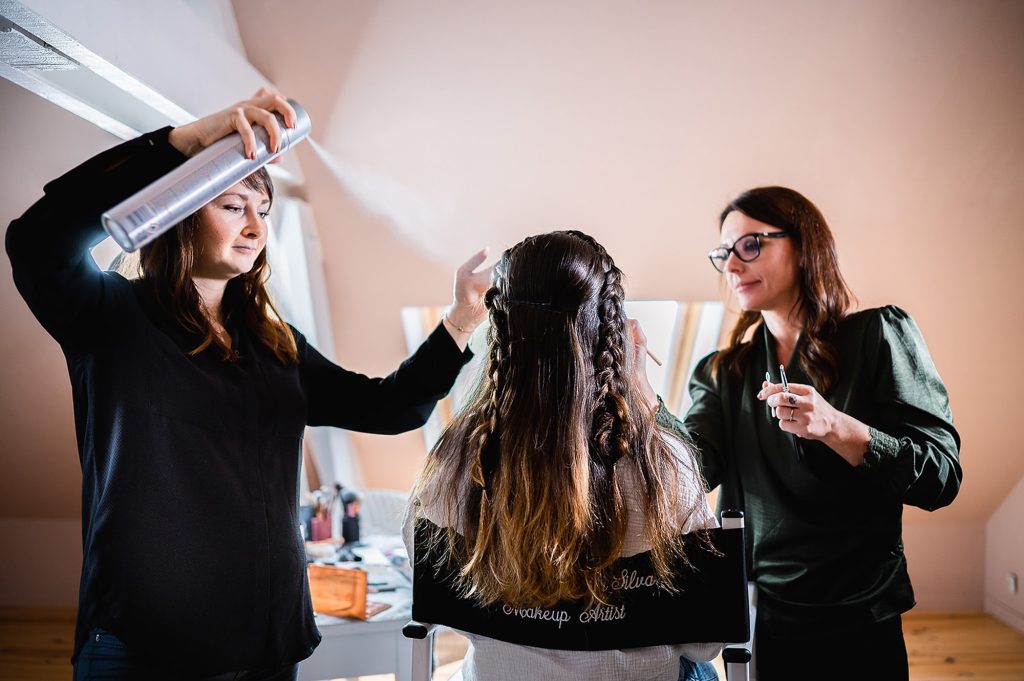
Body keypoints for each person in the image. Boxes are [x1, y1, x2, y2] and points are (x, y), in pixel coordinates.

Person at [5, 89, 490, 680]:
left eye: (262, 209)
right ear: (182, 210)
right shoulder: (111, 319)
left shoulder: (275, 344)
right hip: (144, 644)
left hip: (264, 640)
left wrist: (461, 318)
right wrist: (183, 143)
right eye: (233, 206)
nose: (256, 225)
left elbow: (391, 406)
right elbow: (37, 242)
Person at [650, 186, 962, 680]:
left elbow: (941, 478)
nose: (732, 265)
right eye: (723, 253)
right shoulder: (721, 372)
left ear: (804, 246)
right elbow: (690, 469)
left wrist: (839, 427)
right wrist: (641, 395)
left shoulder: (880, 335)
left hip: (866, 618)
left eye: (750, 245)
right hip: (766, 619)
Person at [407, 230, 722, 681]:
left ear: (502, 335)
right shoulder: (664, 464)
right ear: (613, 335)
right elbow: (703, 639)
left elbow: (438, 600)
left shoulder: (458, 460)